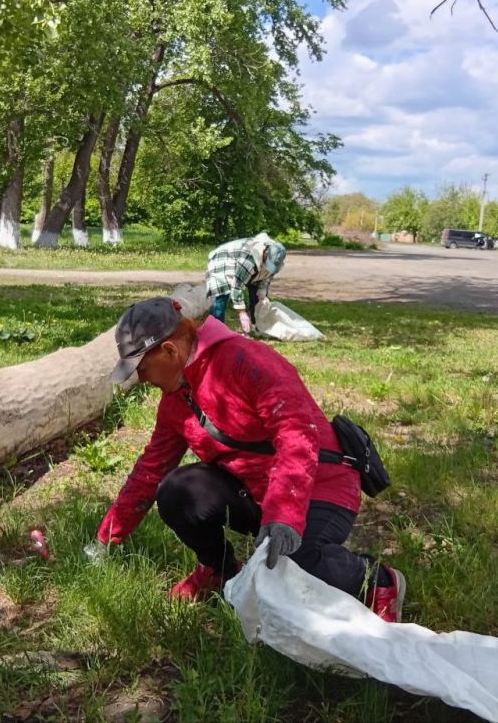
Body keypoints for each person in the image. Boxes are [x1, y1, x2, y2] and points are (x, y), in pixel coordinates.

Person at [96, 296, 406, 622]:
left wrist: (284, 514)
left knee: (294, 562)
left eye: (142, 369)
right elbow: (150, 471)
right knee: (177, 490)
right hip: (258, 493)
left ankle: (377, 581)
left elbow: (296, 433)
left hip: (319, 485)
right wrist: (106, 538)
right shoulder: (175, 402)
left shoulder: (247, 360)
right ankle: (218, 571)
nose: (142, 379)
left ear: (169, 351)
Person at [205, 233, 286, 335]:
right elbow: (237, 286)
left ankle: (256, 324)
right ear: (265, 254)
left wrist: (262, 290)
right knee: (222, 294)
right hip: (223, 259)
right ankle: (216, 331)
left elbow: (267, 276)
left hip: (245, 264)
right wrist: (241, 313)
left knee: (257, 293)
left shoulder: (276, 256)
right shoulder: (248, 261)